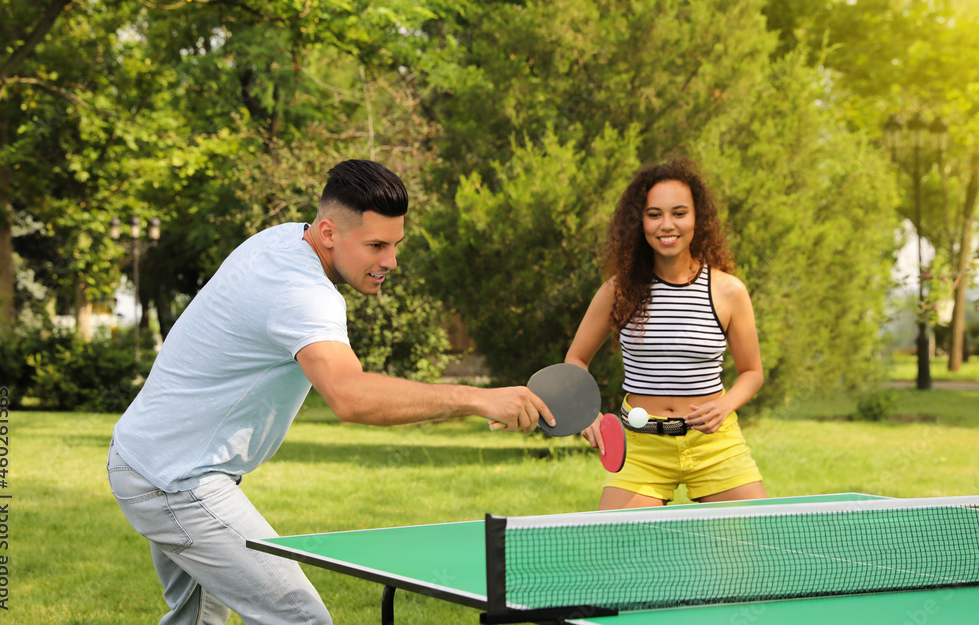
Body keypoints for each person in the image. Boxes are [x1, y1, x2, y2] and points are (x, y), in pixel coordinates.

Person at [107, 159, 553, 625]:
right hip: (176, 480)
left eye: (395, 245)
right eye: (376, 246)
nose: (390, 262)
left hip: (149, 458)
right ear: (327, 233)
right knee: (303, 619)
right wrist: (477, 398)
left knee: (196, 620)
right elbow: (349, 396)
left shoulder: (282, 239)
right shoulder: (303, 293)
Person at [566, 158, 766, 510]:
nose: (667, 225)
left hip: (715, 446)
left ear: (696, 219)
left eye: (679, 213)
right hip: (641, 449)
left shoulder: (729, 291)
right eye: (654, 214)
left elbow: (752, 373)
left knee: (756, 544)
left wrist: (725, 405)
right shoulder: (618, 292)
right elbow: (575, 360)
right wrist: (587, 415)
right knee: (615, 553)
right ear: (639, 222)